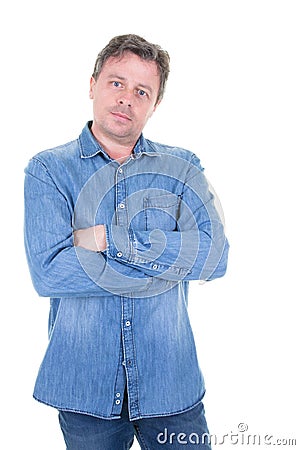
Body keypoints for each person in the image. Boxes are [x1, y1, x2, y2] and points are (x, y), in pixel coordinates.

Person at [24, 34, 229, 449]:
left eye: (142, 91)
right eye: (117, 83)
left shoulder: (182, 167)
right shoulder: (47, 170)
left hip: (171, 386)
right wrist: (166, 259)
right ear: (92, 85)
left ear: (154, 104)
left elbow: (214, 257)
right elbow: (50, 273)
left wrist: (107, 240)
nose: (127, 99)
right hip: (85, 389)